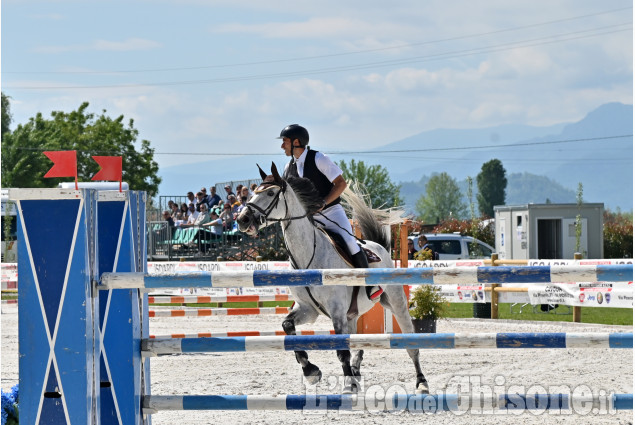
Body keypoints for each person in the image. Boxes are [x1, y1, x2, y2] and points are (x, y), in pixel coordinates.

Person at [277, 123, 381, 302]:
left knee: (349, 241)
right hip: (308, 219)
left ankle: (370, 283)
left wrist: (324, 202)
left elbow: (340, 184)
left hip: (331, 212)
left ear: (296, 142)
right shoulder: (288, 167)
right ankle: (304, 294)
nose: (282, 146)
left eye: (285, 141)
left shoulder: (319, 158)